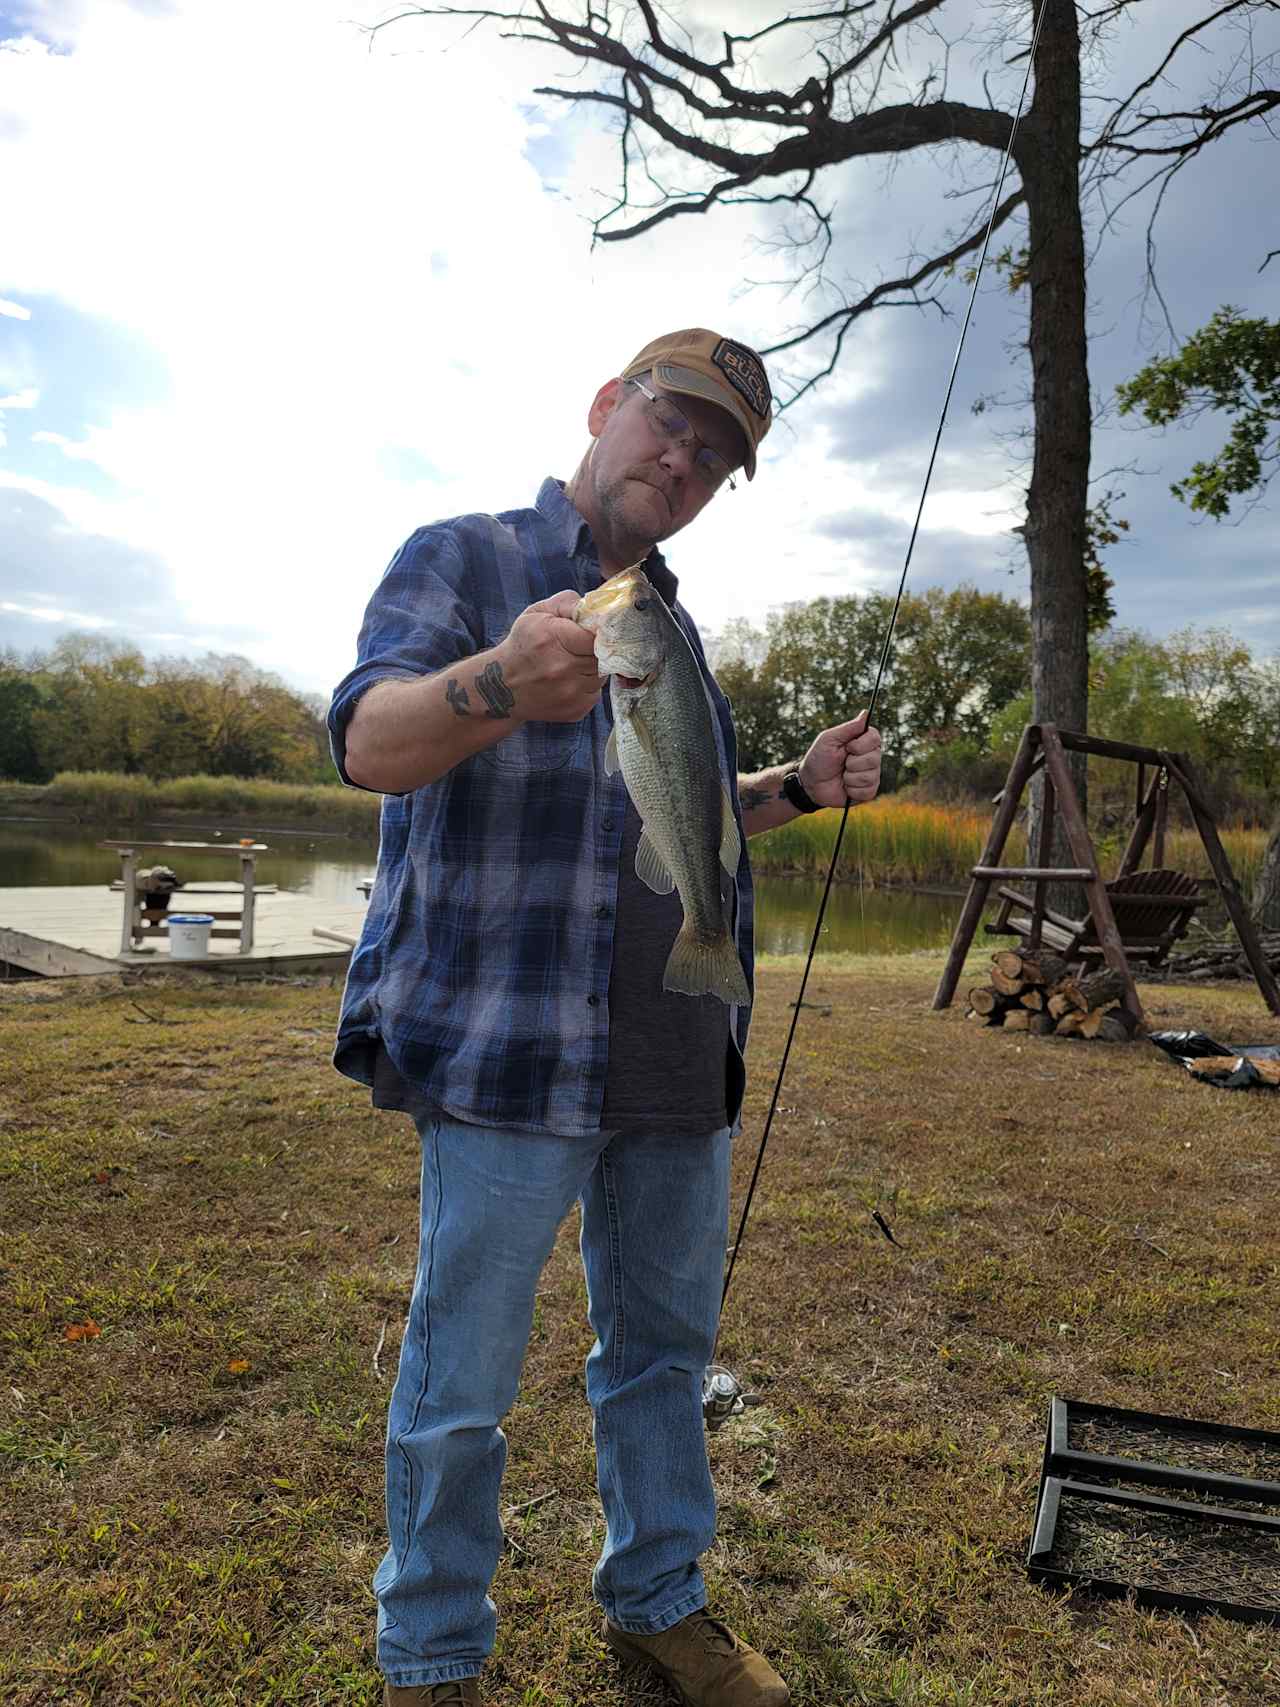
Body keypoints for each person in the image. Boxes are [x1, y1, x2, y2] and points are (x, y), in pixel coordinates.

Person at [327, 329, 883, 1707]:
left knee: (662, 1357)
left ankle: (660, 1603)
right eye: (669, 423)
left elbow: (678, 818)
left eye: (716, 454)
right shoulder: (458, 560)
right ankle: (435, 1652)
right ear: (604, 410)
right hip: (511, 1051)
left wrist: (800, 788)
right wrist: (500, 683)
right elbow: (364, 743)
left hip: (671, 1054)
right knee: (461, 1379)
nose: (684, 459)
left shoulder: (673, 637)